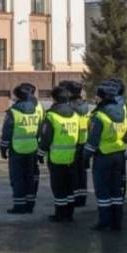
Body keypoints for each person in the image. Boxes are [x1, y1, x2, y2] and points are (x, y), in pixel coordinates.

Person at [85, 82, 127, 231]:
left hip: (103, 156)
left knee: (103, 190)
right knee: (116, 189)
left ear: (102, 98)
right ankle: (117, 221)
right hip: (119, 154)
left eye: (97, 96)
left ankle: (104, 221)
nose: (95, 99)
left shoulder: (100, 116)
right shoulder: (122, 112)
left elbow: (93, 140)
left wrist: (85, 156)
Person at [38, 85, 81, 222]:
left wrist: (40, 153)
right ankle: (69, 213)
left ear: (54, 98)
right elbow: (79, 135)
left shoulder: (51, 116)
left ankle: (60, 213)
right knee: (69, 186)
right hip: (72, 156)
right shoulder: (75, 114)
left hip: (56, 157)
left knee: (58, 187)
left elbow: (46, 138)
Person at [1, 83, 43, 215]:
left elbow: (7, 131)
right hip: (32, 148)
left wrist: (3, 147)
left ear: (17, 96)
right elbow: (41, 127)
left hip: (17, 149)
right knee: (29, 177)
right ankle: (30, 204)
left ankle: (19, 205)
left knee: (18, 177)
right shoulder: (36, 109)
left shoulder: (13, 111)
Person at [68, 81, 93, 208]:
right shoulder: (86, 106)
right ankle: (82, 197)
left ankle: (75, 196)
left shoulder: (70, 107)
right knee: (82, 172)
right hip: (84, 141)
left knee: (73, 172)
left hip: (73, 142)